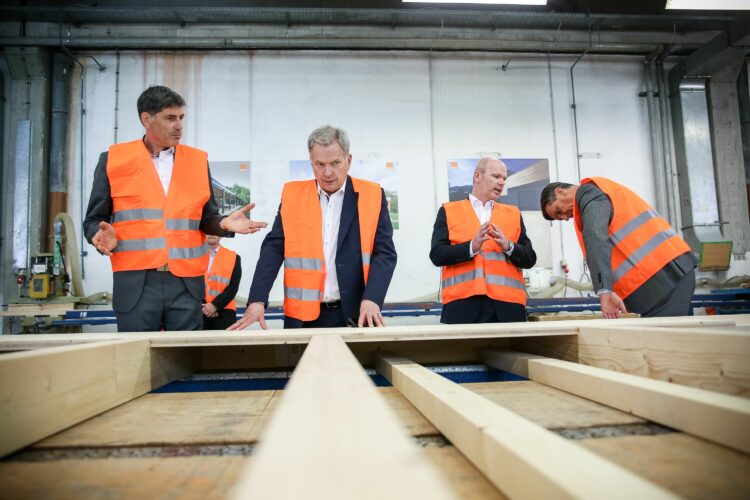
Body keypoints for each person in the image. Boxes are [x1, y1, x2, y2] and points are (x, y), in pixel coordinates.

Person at [84, 85, 266, 332]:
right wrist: (98, 235)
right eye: (170, 118)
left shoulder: (197, 161)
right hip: (136, 282)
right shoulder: (114, 160)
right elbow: (94, 219)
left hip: (186, 284)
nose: (179, 125)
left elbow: (206, 216)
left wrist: (223, 224)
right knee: (135, 359)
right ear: (146, 119)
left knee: (184, 358)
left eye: (181, 117)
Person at [229, 125, 397, 330]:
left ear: (349, 160)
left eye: (335, 163)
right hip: (301, 317)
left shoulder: (372, 195)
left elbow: (385, 253)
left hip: (356, 313)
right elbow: (274, 248)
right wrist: (257, 299)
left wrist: (373, 298)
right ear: (311, 162)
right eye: (319, 164)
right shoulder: (293, 195)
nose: (327, 172)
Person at [540, 177, 697, 319]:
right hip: (660, 277)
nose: (565, 218)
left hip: (664, 276)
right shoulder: (597, 196)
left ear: (560, 192)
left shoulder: (589, 193)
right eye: (559, 218)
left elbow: (595, 237)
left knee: (664, 343)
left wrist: (604, 291)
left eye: (558, 211)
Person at [430, 157, 537, 324]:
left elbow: (530, 258)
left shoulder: (513, 213)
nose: (501, 182)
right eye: (496, 176)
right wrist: (472, 247)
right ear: (477, 176)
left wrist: (509, 246)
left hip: (508, 310)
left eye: (504, 178)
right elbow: (437, 255)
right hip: (462, 308)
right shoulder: (449, 211)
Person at [203, 235, 242, 330]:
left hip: (225, 312)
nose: (212, 234)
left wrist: (214, 306)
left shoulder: (233, 257)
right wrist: (206, 308)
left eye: (215, 231)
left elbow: (233, 287)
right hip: (198, 311)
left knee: (225, 345)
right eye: (208, 230)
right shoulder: (192, 256)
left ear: (221, 235)